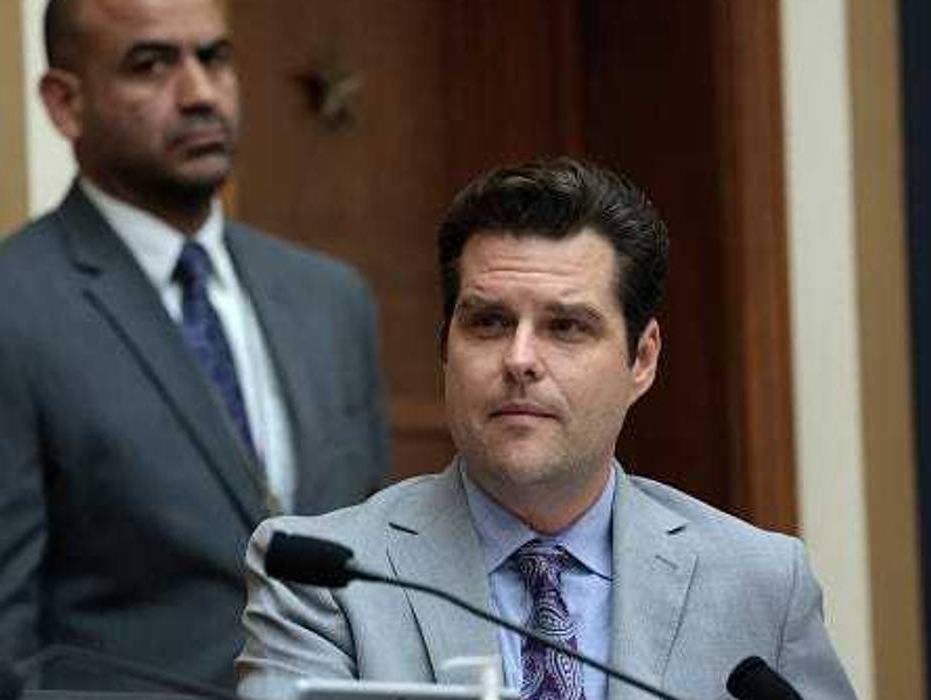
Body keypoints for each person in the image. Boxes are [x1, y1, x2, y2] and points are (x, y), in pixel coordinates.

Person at [0, 0, 389, 697]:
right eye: (151, 65)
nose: (200, 93)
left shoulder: (331, 300)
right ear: (64, 103)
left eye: (214, 58)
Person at [236, 159, 855, 700]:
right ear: (445, 347)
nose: (519, 359)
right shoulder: (324, 583)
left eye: (566, 327)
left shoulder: (760, 582)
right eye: (489, 323)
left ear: (642, 358)